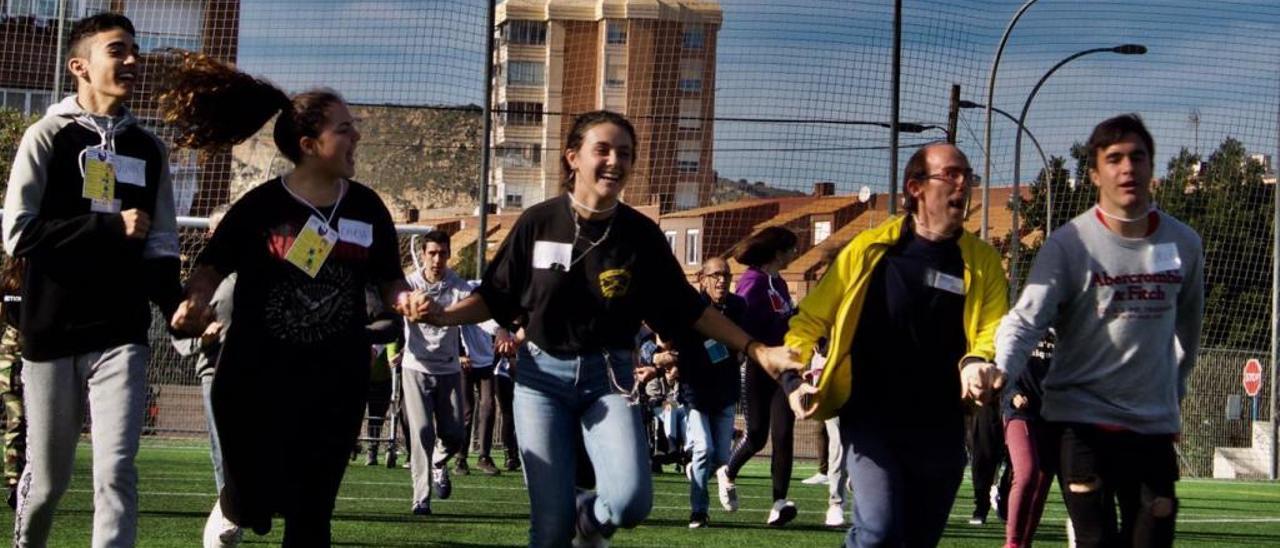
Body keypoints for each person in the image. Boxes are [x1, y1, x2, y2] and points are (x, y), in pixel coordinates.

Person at [423, 110, 804, 547]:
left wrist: (758, 350)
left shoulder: (641, 236)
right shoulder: (538, 222)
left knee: (629, 503)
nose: (614, 161)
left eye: (624, 153)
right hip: (540, 381)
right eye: (601, 150)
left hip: (610, 378)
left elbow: (690, 310)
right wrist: (441, 315)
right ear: (572, 158)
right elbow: (495, 297)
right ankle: (568, 519)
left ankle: (590, 515)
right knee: (549, 530)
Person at [163, 52, 430, 545]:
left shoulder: (368, 208)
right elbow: (211, 265)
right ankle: (233, 504)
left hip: (335, 380)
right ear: (309, 144)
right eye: (344, 128)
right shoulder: (262, 206)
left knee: (312, 514)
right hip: (254, 377)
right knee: (254, 499)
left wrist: (405, 298)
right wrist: (194, 302)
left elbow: (388, 279)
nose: (357, 136)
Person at [3, 13, 184, 546]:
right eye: (117, 50)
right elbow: (19, 234)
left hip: (121, 332)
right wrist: (108, 227)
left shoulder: (150, 150)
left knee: (116, 473)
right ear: (79, 65)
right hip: (51, 330)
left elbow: (161, 244)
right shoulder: (46, 136)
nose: (132, 60)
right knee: (48, 482)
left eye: (135, 51)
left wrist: (177, 306)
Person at [785, 142, 1009, 547]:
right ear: (916, 187)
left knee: (917, 540)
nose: (964, 185)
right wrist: (795, 376)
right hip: (872, 419)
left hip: (941, 427)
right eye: (952, 174)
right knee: (878, 531)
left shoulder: (982, 261)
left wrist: (980, 361)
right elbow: (810, 317)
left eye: (968, 176)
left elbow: (992, 327)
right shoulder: (870, 250)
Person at [996, 114, 1204, 548]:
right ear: (1094, 173)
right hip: (1081, 423)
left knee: (1153, 534)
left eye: (1137, 157)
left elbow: (1189, 329)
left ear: (1152, 166)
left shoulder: (1184, 244)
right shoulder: (1070, 245)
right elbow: (1024, 320)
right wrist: (998, 369)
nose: (1127, 168)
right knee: (1096, 540)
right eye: (1114, 159)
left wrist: (1173, 393)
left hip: (1151, 427)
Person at [718, 226, 802, 527]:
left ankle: (779, 502)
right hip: (758, 365)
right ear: (777, 251)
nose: (796, 253)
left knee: (783, 435)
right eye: (792, 248)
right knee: (756, 434)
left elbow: (782, 321)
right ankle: (727, 471)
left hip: (785, 371)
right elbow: (739, 319)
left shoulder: (779, 283)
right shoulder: (752, 281)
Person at [170, 205, 242, 548]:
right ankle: (230, 517)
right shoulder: (201, 282)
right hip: (214, 371)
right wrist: (202, 338)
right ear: (210, 235)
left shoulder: (255, 271)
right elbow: (179, 331)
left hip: (256, 373)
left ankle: (240, 508)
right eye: (219, 230)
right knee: (223, 449)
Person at [400, 230, 471, 515]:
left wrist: (503, 330)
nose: (437, 259)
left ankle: (439, 462)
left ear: (449, 255)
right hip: (416, 366)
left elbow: (479, 313)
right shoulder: (410, 283)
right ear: (423, 254)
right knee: (421, 432)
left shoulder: (458, 286)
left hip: (449, 368)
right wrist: (408, 304)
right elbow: (394, 306)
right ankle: (421, 498)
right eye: (432, 253)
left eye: (442, 253)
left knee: (454, 434)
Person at [675, 257, 746, 529]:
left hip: (725, 388)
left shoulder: (738, 307)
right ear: (702, 279)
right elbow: (677, 341)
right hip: (696, 389)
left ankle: (696, 469)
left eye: (726, 275)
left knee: (721, 458)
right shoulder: (691, 307)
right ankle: (699, 512)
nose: (722, 280)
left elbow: (742, 340)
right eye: (716, 275)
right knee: (704, 448)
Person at [1003, 339, 1054, 548]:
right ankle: (1012, 543)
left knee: (1041, 485)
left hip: (1054, 415)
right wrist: (1013, 393)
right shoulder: (1020, 322)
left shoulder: (1066, 322)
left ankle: (1025, 543)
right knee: (1026, 473)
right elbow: (1002, 361)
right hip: (1020, 412)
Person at [0, 257, 26, 510]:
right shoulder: (7, 280)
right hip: (10, 356)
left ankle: (31, 479)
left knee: (36, 425)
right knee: (16, 419)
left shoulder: (45, 275)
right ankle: (14, 483)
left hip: (39, 356)